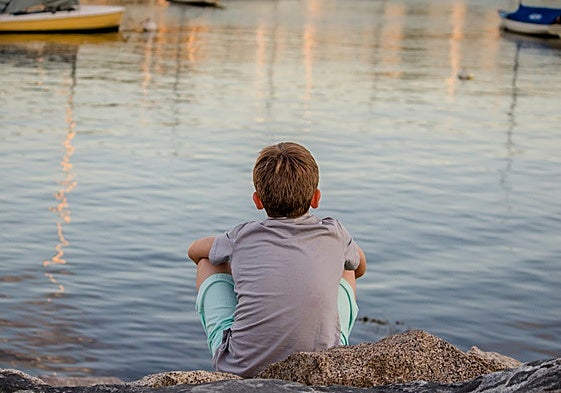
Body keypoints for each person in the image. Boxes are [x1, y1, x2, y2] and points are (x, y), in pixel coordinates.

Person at [188, 142, 366, 377]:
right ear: (316, 198)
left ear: (257, 200)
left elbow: (194, 251)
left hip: (241, 368)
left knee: (208, 262)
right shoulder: (335, 232)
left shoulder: (242, 236)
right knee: (347, 267)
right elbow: (360, 266)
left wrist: (244, 269)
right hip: (322, 365)